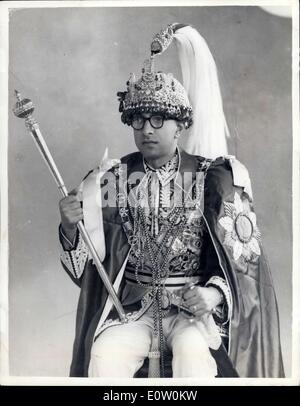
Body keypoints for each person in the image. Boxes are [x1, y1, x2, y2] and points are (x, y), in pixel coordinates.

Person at [58, 23, 284, 378]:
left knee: (193, 355)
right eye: (139, 120)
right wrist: (71, 227)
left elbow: (246, 268)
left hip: (192, 312)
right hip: (134, 309)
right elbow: (82, 273)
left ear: (180, 125)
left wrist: (213, 295)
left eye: (159, 119)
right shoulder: (113, 178)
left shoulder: (215, 178)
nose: (147, 129)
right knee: (103, 355)